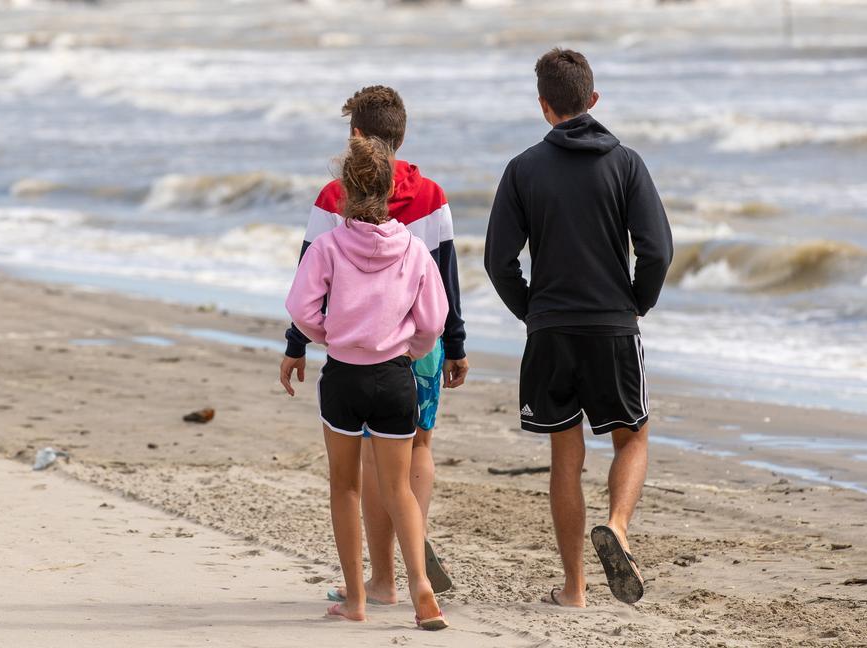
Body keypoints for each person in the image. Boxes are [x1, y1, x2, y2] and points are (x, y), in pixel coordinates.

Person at [484, 48, 673, 607]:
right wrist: (637, 303)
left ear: (544, 106)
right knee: (631, 437)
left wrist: (531, 311)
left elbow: (498, 261)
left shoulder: (522, 169)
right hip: (612, 327)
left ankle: (574, 589)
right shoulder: (626, 164)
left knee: (565, 459)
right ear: (593, 99)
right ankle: (617, 525)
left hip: (550, 331)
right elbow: (657, 250)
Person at [280, 85, 467, 601]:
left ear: (357, 136)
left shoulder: (333, 197)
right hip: (419, 342)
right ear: (400, 136)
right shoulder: (432, 195)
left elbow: (308, 276)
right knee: (418, 446)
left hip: (357, 343)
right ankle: (414, 537)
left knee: (365, 455)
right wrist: (454, 345)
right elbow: (446, 278)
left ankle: (382, 579)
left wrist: (298, 343)